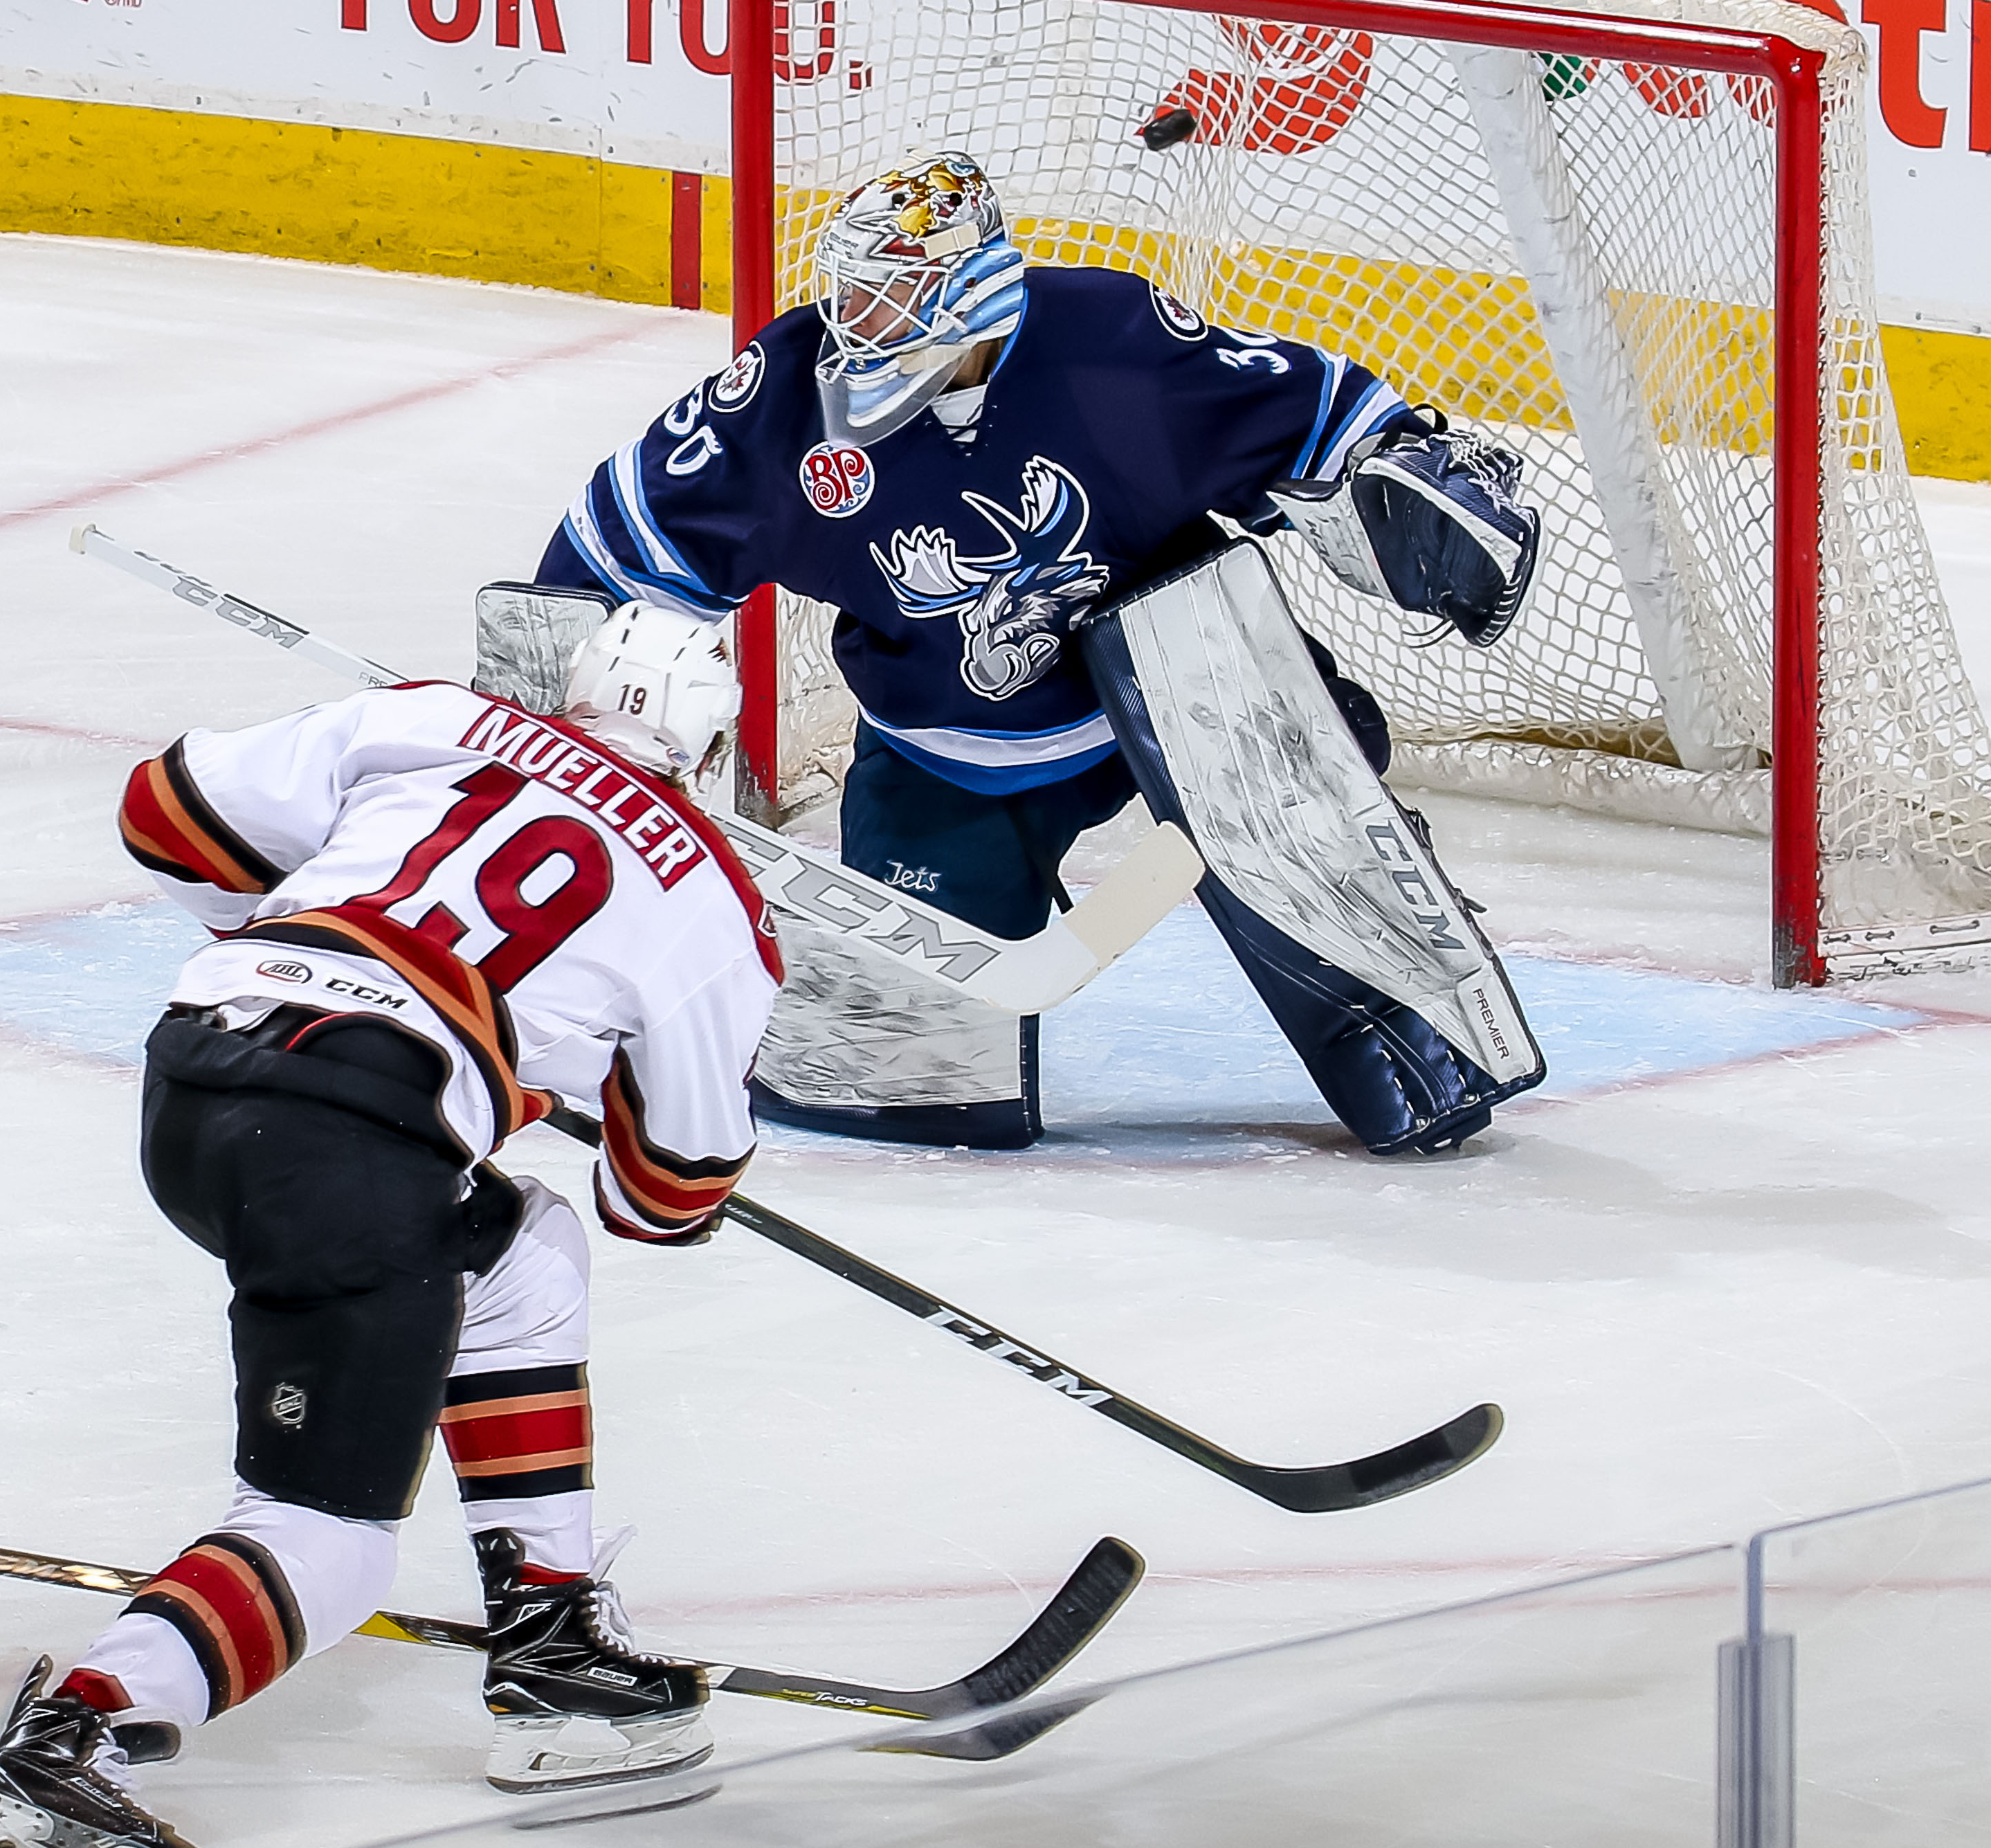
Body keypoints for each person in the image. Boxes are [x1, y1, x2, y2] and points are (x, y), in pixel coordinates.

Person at [0, 607, 780, 1848]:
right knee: (328, 1545)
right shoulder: (709, 898)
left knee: (520, 1251)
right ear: (716, 745)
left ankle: (553, 1646)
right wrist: (543, 1064)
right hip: (348, 1152)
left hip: (203, 1069)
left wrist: (310, 948)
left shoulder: (432, 716)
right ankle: (75, 1741)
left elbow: (165, 808)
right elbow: (666, 1194)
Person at [534, 150, 1543, 1154]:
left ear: (973, 297)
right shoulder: (787, 399)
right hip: (943, 746)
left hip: (1184, 688)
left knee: (1405, 1033)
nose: (857, 325)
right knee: (912, 1085)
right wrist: (560, 696)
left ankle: (1386, 943)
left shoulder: (1114, 347)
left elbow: (1312, 409)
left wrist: (1397, 470)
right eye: (851, 294)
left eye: (892, 301)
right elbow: (616, 542)